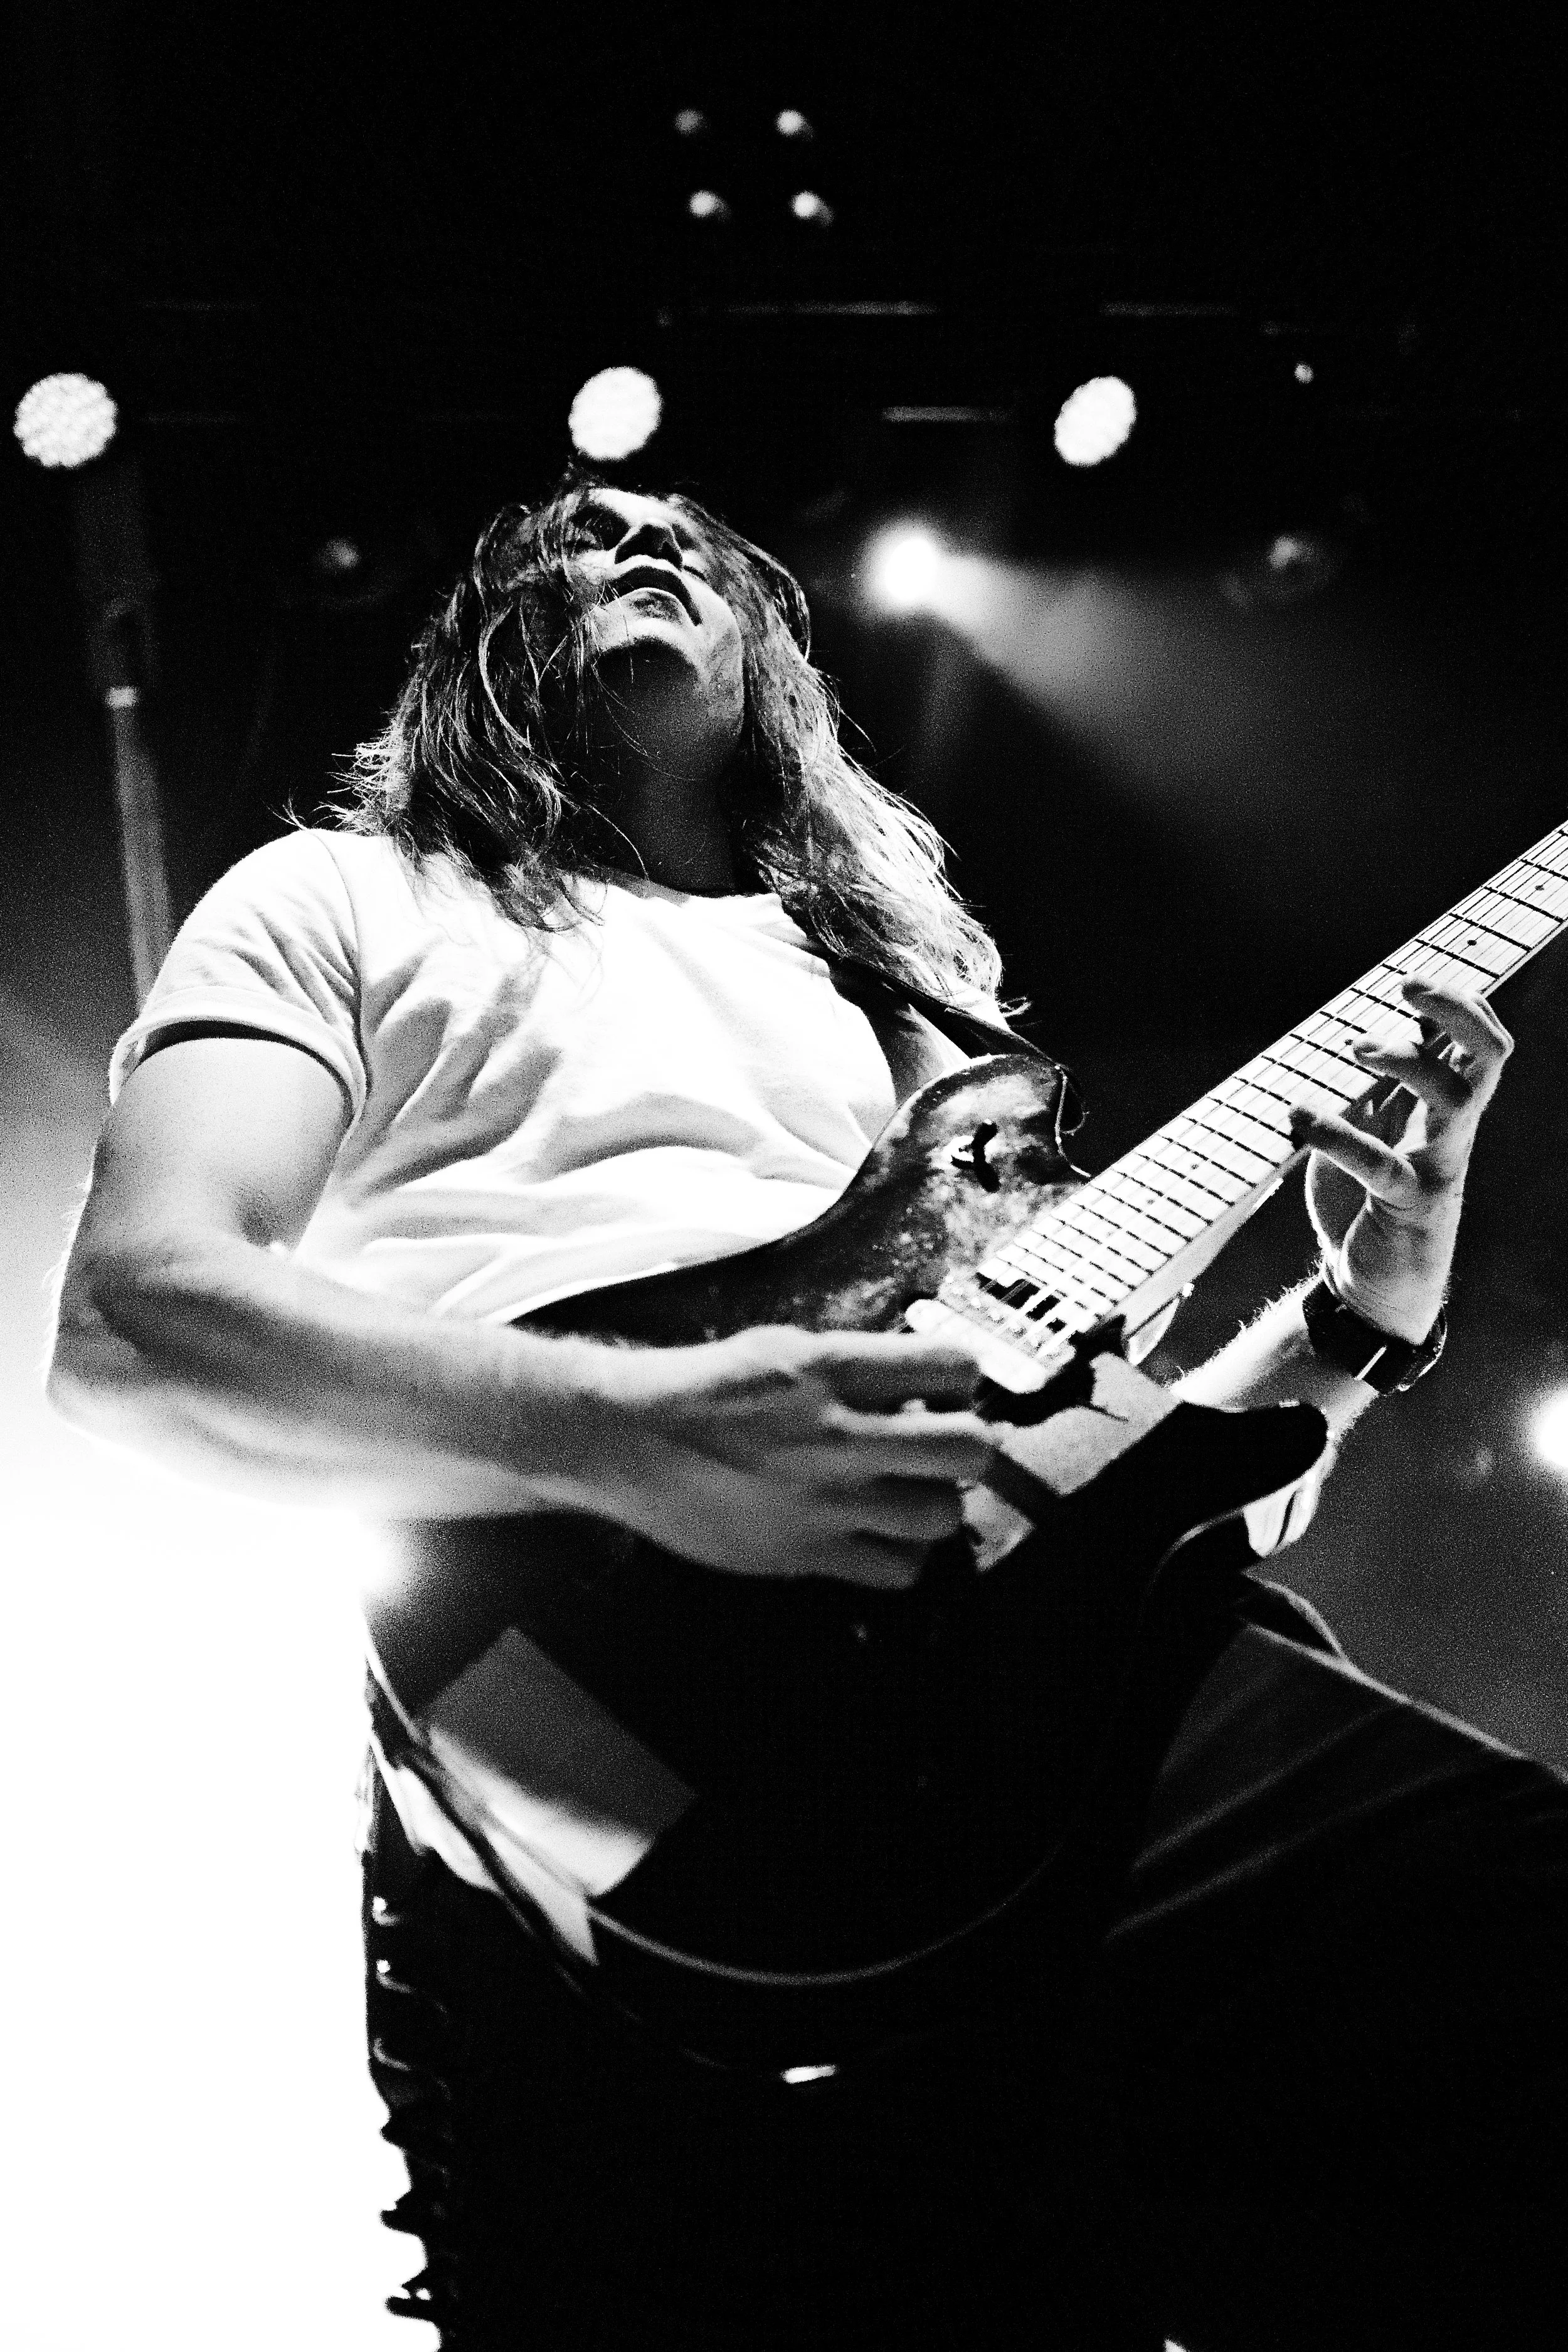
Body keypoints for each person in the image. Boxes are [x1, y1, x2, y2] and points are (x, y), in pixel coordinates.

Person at [47, 474, 1560, 2350]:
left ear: (775, 655)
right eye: (579, 539)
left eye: (684, 536)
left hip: (1049, 1729)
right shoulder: (341, 897)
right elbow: (135, 1322)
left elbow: (1125, 1504)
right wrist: (644, 1434)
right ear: (487, 645)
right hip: (590, 1721)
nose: (641, 543)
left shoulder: (925, 1018)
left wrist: (1352, 1322)